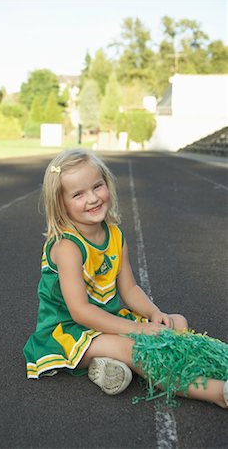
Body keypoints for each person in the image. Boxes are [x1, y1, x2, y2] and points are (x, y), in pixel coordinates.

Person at [23, 148, 228, 408]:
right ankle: (218, 393)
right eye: (78, 194)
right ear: (60, 204)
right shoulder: (68, 247)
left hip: (106, 321)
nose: (92, 198)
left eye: (97, 186)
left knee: (177, 323)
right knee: (140, 351)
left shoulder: (115, 235)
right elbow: (80, 312)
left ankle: (109, 363)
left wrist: (154, 314)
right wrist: (138, 329)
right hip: (70, 331)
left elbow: (129, 289)